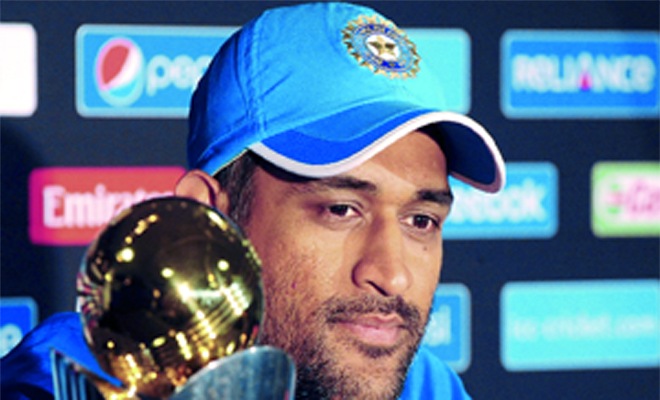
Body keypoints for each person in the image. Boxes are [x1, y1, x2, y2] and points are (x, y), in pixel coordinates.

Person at [1, 2, 504, 399]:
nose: (392, 276)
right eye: (341, 210)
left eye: (421, 220)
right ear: (207, 220)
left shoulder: (427, 386)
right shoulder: (81, 378)